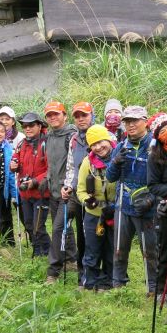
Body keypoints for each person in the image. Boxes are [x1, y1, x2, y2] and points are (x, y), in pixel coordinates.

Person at [106, 105, 155, 290]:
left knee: (149, 250)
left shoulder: (154, 146)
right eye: (127, 121)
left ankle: (153, 287)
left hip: (147, 206)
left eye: (135, 120)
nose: (131, 125)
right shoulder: (120, 146)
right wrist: (116, 162)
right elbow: (110, 177)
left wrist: (151, 199)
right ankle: (118, 285)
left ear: (145, 121)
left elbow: (164, 179)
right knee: (119, 248)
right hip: (123, 204)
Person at [76, 124, 118, 291]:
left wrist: (115, 206)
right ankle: (90, 281)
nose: (99, 147)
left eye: (101, 142)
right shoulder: (88, 163)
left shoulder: (119, 158)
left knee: (111, 249)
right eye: (94, 144)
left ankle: (108, 282)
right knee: (92, 248)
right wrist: (87, 200)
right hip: (94, 213)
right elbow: (80, 189)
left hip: (115, 213)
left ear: (108, 139)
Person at [147, 112, 167, 306]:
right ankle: (162, 289)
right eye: (163, 131)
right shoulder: (156, 156)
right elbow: (152, 185)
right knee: (166, 250)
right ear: (158, 137)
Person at [43, 100, 78, 282]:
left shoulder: (71, 136)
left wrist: (69, 186)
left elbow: (74, 164)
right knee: (65, 226)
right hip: (54, 190)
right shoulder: (49, 136)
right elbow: (51, 164)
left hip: (68, 193)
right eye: (49, 115)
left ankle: (53, 271)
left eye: (56, 114)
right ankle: (72, 258)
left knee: (57, 229)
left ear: (65, 115)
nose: (53, 117)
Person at [12, 111, 52, 258]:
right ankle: (37, 250)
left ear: (40, 125)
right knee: (28, 224)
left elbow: (51, 169)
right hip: (24, 193)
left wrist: (35, 181)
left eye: (31, 125)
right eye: (24, 126)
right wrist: (13, 165)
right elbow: (15, 160)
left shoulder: (46, 143)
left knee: (38, 226)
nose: (27, 128)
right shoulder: (22, 144)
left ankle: (48, 251)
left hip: (41, 192)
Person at [64, 101, 95, 277]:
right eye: (77, 116)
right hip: (78, 194)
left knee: (96, 234)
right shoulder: (74, 139)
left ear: (92, 115)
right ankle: (83, 271)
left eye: (84, 115)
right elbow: (71, 167)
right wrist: (68, 186)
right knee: (82, 234)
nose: (81, 119)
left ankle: (98, 272)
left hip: (97, 195)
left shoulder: (100, 135)